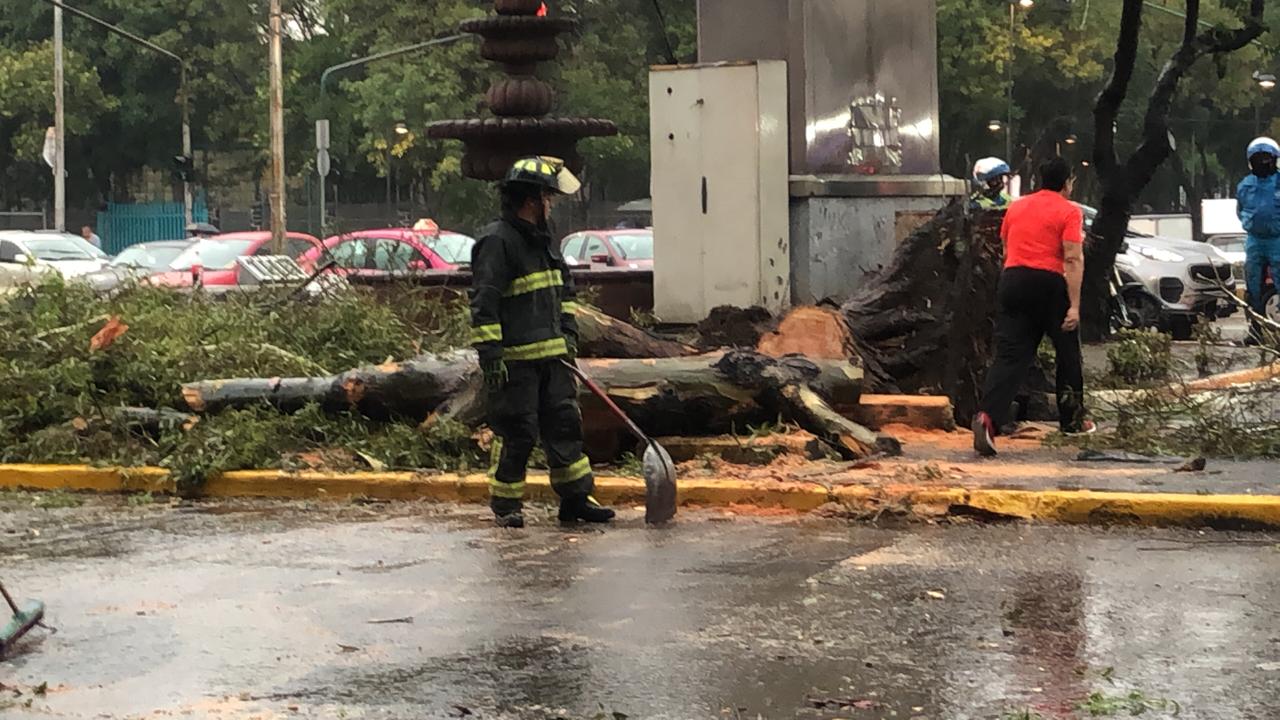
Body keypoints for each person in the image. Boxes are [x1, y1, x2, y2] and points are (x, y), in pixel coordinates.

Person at [470, 156, 616, 528]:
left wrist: (569, 335)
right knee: (517, 431)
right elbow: (485, 302)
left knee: (565, 426)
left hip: (554, 358)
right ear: (531, 200)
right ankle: (506, 505)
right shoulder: (497, 242)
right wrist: (491, 354)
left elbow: (564, 292)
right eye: (547, 197)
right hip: (515, 362)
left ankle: (576, 499)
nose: (551, 204)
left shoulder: (543, 241)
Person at [972, 156, 1093, 457]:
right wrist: (1074, 306)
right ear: (1067, 183)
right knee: (1067, 352)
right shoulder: (1069, 211)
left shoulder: (1017, 207)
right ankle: (1072, 420)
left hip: (1012, 281)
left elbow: (1005, 247)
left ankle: (988, 418)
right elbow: (1072, 257)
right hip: (1049, 283)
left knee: (1009, 356)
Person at [1236, 137, 1280, 327]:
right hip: (1255, 240)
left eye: (1266, 158)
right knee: (1252, 282)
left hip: (1277, 240)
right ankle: (1255, 327)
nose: (1262, 162)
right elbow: (1240, 210)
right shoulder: (1245, 185)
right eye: (1258, 159)